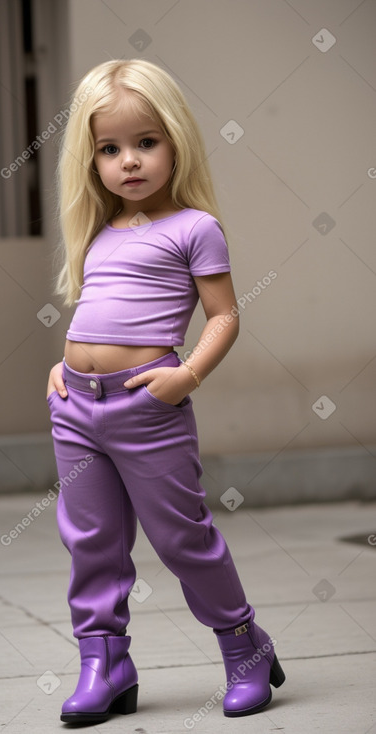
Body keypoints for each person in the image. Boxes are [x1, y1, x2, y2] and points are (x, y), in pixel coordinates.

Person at [46, 58, 285, 725]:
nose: (129, 161)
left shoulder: (193, 228)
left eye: (145, 142)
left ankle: (243, 648)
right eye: (110, 148)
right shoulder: (96, 234)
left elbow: (225, 315)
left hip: (147, 408)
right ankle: (104, 661)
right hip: (76, 409)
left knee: (181, 536)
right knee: (90, 538)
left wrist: (188, 374)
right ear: (90, 161)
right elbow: (97, 310)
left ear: (175, 141)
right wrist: (62, 367)